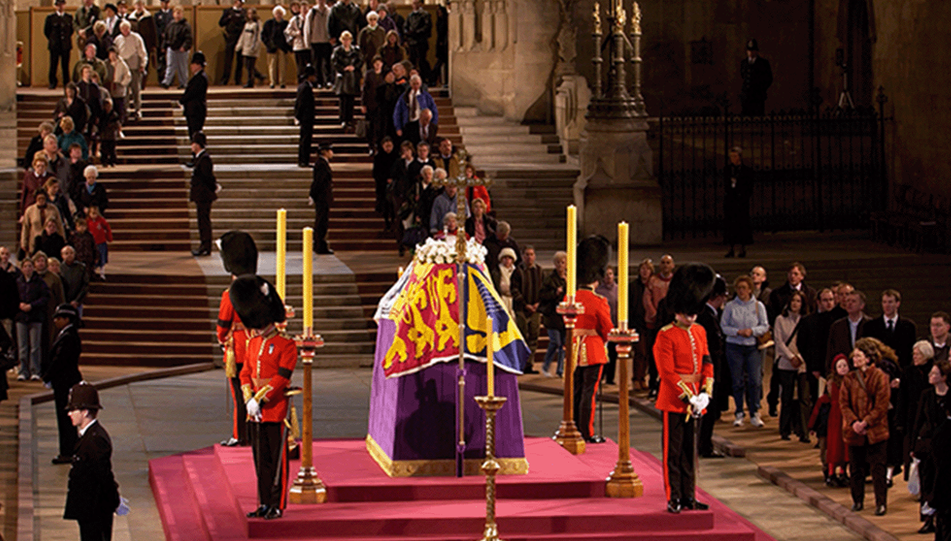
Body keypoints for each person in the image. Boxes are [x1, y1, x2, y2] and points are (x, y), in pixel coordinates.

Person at [654, 263, 716, 514]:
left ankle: (689, 495)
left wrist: (706, 393)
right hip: (674, 400)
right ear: (678, 310)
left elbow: (706, 362)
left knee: (691, 453)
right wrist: (690, 397)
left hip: (697, 400)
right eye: (687, 313)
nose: (691, 318)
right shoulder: (665, 335)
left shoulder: (700, 331)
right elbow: (667, 373)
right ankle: (674, 496)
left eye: (694, 313)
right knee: (674, 453)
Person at [233, 275, 295, 521]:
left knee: (276, 462)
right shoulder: (253, 343)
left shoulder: (285, 345)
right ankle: (263, 503)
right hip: (255, 411)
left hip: (274, 409)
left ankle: (277, 504)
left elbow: (282, 379)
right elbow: (246, 372)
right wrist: (248, 398)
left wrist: (259, 399)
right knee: (260, 462)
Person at [566, 236, 613, 442]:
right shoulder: (599, 301)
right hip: (593, 350)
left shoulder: (570, 298)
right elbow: (607, 328)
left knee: (575, 391)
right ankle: (587, 432)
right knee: (589, 393)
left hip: (573, 349)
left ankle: (573, 426)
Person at [216, 231, 258, 447]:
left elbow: (222, 327)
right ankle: (254, 432)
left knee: (240, 394)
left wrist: (223, 340)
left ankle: (240, 434)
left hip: (238, 349)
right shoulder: (260, 289)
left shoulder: (230, 293)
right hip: (258, 347)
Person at [840, 339, 892, 516]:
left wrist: (866, 422)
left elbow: (881, 405)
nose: (855, 359)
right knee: (856, 469)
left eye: (859, 356)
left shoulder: (880, 377)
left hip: (876, 431)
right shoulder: (849, 378)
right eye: (854, 356)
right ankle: (857, 500)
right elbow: (844, 404)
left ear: (869, 358)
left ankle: (881, 503)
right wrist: (854, 422)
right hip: (854, 431)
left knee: (878, 469)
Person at [63, 382, 121, 539]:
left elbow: (103, 475)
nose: (69, 414)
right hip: (88, 509)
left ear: (85, 412)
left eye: (73, 410)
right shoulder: (88, 436)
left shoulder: (95, 439)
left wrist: (115, 500)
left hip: (95, 510)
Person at [721, 274, 770, 428]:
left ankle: (755, 412)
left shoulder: (758, 306)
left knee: (755, 380)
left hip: (752, 347)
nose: (741, 291)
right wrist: (737, 332)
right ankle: (739, 412)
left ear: (750, 290)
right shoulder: (730, 306)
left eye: (744, 288)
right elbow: (724, 326)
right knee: (737, 381)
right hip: (734, 346)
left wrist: (752, 331)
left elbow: (765, 325)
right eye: (739, 288)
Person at [42, 304, 84, 464]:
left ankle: (68, 450)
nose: (55, 321)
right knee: (65, 417)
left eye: (58, 318)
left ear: (67, 319)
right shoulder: (66, 334)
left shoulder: (69, 337)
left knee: (66, 417)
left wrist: (47, 376)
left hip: (65, 381)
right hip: (64, 381)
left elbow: (60, 360)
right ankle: (67, 449)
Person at [912, 359, 950, 534]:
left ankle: (942, 518)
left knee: (941, 484)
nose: (930, 376)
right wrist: (914, 445)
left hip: (946, 450)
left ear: (943, 377)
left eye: (934, 373)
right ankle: (927, 519)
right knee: (926, 482)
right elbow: (918, 420)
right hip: (927, 446)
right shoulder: (926, 395)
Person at [697, 275, 728, 458]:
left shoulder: (710, 315)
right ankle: (704, 446)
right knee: (707, 411)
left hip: (712, 370)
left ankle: (704, 444)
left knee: (709, 411)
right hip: (708, 371)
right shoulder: (706, 316)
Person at [774, 290, 810, 441]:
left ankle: (803, 431)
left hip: (802, 364)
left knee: (803, 398)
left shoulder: (806, 320)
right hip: (785, 363)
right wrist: (790, 357)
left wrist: (800, 357)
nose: (795, 304)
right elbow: (779, 341)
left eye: (798, 301)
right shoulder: (780, 319)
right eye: (793, 300)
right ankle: (785, 430)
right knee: (787, 397)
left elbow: (809, 341)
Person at [643, 254, 675, 398]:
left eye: (668, 263)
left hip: (670, 324)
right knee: (653, 355)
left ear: (672, 265)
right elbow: (647, 298)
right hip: (654, 324)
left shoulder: (675, 282)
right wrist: (654, 314)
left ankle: (666, 384)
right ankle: (653, 384)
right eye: (663, 262)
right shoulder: (653, 281)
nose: (665, 265)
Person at [863, 289, 917, 370]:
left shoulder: (909, 326)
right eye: (884, 302)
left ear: (897, 304)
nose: (887, 305)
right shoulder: (870, 326)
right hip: (878, 370)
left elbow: (910, 351)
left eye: (890, 302)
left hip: (902, 369)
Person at [16, 258, 51, 381]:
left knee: (35, 346)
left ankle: (35, 370)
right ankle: (23, 370)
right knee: (23, 346)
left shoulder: (39, 282)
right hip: (21, 317)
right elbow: (12, 297)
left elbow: (45, 297)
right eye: (25, 266)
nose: (28, 269)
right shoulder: (18, 282)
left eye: (30, 266)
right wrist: (19, 304)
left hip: (35, 316)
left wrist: (32, 305)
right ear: (22, 268)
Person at [826, 290, 871, 373]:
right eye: (848, 301)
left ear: (862, 306)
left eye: (853, 301)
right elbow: (830, 352)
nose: (849, 304)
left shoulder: (870, 325)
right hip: (843, 371)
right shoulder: (837, 326)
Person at [539, 251, 567, 378]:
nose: (560, 265)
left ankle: (560, 369)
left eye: (563, 262)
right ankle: (545, 365)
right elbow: (542, 295)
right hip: (552, 316)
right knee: (555, 341)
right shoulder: (549, 279)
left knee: (563, 344)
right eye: (558, 263)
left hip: (564, 316)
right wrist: (555, 293)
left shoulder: (569, 279)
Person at [188, 132, 216, 257]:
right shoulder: (200, 158)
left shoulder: (204, 159)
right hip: (201, 195)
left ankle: (205, 246)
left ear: (197, 145)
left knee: (204, 221)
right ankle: (203, 245)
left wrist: (212, 188)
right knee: (202, 221)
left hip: (204, 195)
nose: (191, 146)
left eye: (193, 143)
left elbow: (208, 178)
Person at [114, 20, 147, 121]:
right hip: (123, 67)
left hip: (134, 66)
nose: (125, 31)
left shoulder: (136, 37)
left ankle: (137, 110)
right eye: (123, 29)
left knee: (136, 89)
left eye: (127, 28)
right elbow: (115, 53)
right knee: (124, 90)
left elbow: (142, 52)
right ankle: (126, 109)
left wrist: (143, 64)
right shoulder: (117, 39)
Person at [629, 258, 653, 393]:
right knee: (640, 353)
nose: (645, 272)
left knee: (648, 353)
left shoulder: (652, 285)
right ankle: (636, 379)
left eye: (647, 269)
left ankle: (643, 378)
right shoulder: (633, 286)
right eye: (643, 269)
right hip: (637, 323)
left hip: (650, 323)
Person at [724, 146, 753, 258]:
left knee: (742, 225)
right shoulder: (728, 169)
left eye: (735, 156)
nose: (733, 158)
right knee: (730, 225)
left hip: (741, 201)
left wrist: (743, 196)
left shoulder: (746, 170)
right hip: (731, 200)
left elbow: (749, 185)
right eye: (731, 156)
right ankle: (730, 248)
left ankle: (742, 248)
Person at [331, 31, 363, 130]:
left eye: (348, 39)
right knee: (343, 100)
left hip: (352, 77)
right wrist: (343, 68)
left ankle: (350, 119)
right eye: (344, 39)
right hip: (342, 77)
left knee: (351, 100)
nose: (346, 41)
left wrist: (353, 67)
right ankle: (343, 119)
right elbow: (334, 62)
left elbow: (360, 60)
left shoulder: (355, 50)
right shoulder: (337, 50)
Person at [394, 74, 438, 140]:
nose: (415, 86)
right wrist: (398, 127)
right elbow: (397, 112)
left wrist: (433, 126)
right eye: (414, 84)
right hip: (407, 123)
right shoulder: (404, 96)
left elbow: (434, 111)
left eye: (417, 84)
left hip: (420, 124)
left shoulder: (426, 96)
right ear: (410, 84)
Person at [22, 191, 65, 257]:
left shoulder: (53, 209)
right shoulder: (30, 210)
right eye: (39, 198)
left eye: (43, 198)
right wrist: (24, 242)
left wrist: (63, 239)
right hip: (34, 241)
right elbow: (26, 227)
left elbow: (59, 225)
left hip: (51, 241)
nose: (41, 200)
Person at [595, 267, 619, 386]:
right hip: (602, 326)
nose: (608, 276)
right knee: (602, 352)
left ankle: (610, 377)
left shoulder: (618, 289)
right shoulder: (599, 290)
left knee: (613, 353)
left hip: (614, 324)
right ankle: (600, 376)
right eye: (606, 274)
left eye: (610, 274)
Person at [309, 142, 334, 254]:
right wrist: (313, 194)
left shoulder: (322, 163)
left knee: (322, 221)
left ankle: (320, 244)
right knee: (321, 222)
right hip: (322, 197)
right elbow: (318, 182)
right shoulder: (321, 164)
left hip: (323, 196)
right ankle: (320, 245)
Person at [161, 5, 191, 89]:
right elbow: (166, 36)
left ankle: (183, 83)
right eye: (176, 13)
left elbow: (188, 38)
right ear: (173, 14)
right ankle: (167, 81)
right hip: (172, 48)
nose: (177, 15)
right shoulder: (171, 25)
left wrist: (184, 47)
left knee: (182, 67)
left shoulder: (186, 25)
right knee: (170, 65)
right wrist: (164, 46)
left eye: (179, 13)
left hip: (181, 49)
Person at [128, 0, 157, 89]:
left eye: (140, 4)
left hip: (146, 44)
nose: (139, 6)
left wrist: (154, 45)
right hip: (133, 45)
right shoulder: (130, 18)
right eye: (137, 4)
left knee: (144, 65)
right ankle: (134, 85)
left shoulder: (148, 17)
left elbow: (153, 32)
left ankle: (142, 84)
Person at [46, 0, 75, 90]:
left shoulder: (69, 17)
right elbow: (47, 31)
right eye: (58, 5)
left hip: (65, 45)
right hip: (55, 45)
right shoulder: (51, 18)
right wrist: (53, 39)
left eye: (62, 5)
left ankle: (66, 82)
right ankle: (52, 82)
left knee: (65, 65)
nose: (60, 7)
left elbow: (71, 31)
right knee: (53, 64)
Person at [740, 38, 772, 116]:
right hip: (746, 97)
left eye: (753, 50)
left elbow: (768, 79)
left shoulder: (763, 63)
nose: (751, 52)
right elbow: (742, 76)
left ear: (756, 51)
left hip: (758, 97)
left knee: (758, 118)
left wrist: (761, 89)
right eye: (749, 50)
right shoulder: (744, 63)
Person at [179, 51, 208, 138]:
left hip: (196, 110)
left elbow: (192, 92)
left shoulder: (200, 78)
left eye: (193, 64)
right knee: (192, 132)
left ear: (198, 65)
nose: (191, 66)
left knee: (194, 132)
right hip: (194, 110)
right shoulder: (198, 77)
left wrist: (182, 100)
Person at [304, 0, 332, 88]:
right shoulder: (312, 12)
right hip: (315, 41)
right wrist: (307, 42)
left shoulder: (329, 11)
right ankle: (318, 82)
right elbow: (307, 28)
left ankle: (327, 81)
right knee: (317, 64)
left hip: (327, 41)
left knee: (327, 63)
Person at [219, 0, 248, 85]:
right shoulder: (228, 11)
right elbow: (221, 23)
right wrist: (228, 18)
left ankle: (238, 80)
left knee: (240, 60)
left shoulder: (244, 12)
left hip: (241, 37)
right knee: (228, 59)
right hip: (231, 37)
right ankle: (225, 79)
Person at [362, 55, 386, 153]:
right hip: (371, 104)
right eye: (376, 63)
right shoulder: (369, 74)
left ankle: (379, 146)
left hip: (382, 105)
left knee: (380, 126)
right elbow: (365, 90)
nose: (377, 65)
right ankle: (371, 146)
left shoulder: (385, 74)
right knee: (371, 127)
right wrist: (363, 104)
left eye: (379, 63)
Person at [403, 0, 432, 82]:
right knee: (412, 61)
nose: (415, 5)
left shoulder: (425, 15)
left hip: (421, 41)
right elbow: (405, 26)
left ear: (421, 4)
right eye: (413, 3)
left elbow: (427, 27)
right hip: (411, 42)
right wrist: (408, 33)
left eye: (417, 3)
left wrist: (416, 32)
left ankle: (424, 79)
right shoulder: (410, 16)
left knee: (422, 61)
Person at [295, 64, 317, 167]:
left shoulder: (303, 86)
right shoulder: (306, 87)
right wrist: (298, 116)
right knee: (305, 140)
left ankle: (304, 160)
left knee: (305, 139)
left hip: (306, 117)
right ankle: (303, 160)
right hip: (306, 117)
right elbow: (300, 103)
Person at [263, 5, 290, 89]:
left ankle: (282, 82)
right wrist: (268, 44)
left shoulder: (286, 24)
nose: (278, 15)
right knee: (272, 66)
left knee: (283, 66)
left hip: (282, 47)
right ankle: (272, 82)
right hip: (272, 47)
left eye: (280, 13)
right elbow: (264, 35)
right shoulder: (269, 23)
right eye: (277, 13)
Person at [236, 8, 263, 88]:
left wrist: (255, 46)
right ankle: (259, 76)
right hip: (246, 47)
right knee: (246, 65)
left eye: (251, 13)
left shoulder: (257, 24)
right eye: (248, 14)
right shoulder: (247, 24)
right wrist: (239, 45)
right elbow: (243, 35)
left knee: (250, 66)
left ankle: (250, 81)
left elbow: (258, 37)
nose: (250, 15)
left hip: (252, 47)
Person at [491, 247, 521, 319]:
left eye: (509, 258)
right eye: (505, 258)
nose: (507, 260)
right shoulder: (497, 271)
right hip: (502, 298)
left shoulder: (517, 271)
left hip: (514, 299)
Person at [60, 246, 89, 313]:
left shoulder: (81, 267)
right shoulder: (60, 268)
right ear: (62, 255)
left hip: (77, 301)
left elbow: (85, 285)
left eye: (71, 253)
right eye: (66, 253)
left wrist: (77, 300)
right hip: (63, 301)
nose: (69, 255)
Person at [85, 206, 112, 280]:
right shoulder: (87, 221)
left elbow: (107, 228)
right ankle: (93, 272)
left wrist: (109, 238)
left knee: (102, 258)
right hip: (92, 243)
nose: (94, 215)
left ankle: (102, 273)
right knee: (94, 259)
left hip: (101, 242)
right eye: (92, 213)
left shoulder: (101, 220)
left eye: (95, 213)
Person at [286, 1, 311, 77]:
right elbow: (288, 30)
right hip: (299, 46)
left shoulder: (310, 18)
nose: (304, 11)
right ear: (300, 10)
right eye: (303, 9)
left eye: (306, 9)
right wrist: (296, 33)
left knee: (309, 65)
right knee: (300, 66)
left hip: (309, 45)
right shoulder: (295, 19)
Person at [98, 98, 121, 167]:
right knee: (104, 149)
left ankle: (112, 161)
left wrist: (111, 125)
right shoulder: (102, 114)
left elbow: (117, 124)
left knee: (112, 149)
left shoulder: (114, 115)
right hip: (104, 134)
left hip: (111, 134)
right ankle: (104, 161)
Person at [153, 0, 172, 83]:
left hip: (170, 41)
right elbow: (155, 28)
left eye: (167, 3)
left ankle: (169, 80)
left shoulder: (171, 14)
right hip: (160, 41)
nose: (165, 4)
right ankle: (161, 79)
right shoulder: (157, 15)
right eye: (163, 3)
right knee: (160, 61)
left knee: (170, 62)